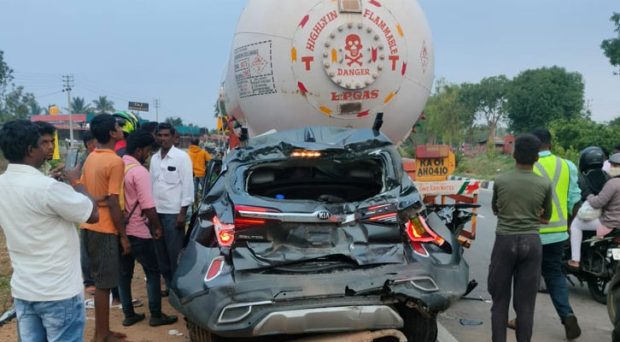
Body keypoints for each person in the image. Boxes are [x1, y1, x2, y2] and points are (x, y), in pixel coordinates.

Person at [0, 120, 99, 341]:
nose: (47, 148)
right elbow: (92, 214)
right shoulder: (48, 188)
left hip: (25, 290)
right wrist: (76, 181)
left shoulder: (4, 184)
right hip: (58, 291)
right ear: (29, 150)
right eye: (42, 144)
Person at [489, 134, 552, 342]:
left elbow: (496, 209)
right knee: (525, 306)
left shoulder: (501, 180)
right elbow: (546, 217)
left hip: (505, 242)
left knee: (500, 301)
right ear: (537, 158)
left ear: (514, 155)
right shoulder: (544, 184)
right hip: (531, 244)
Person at [524, 128, 582, 339]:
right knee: (554, 275)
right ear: (550, 143)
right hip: (558, 233)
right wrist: (569, 227)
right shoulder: (567, 165)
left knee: (526, 278)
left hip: (532, 231)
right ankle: (566, 314)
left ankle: (521, 320)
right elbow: (575, 200)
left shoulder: (527, 166)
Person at [118, 130, 178, 327]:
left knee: (124, 274)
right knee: (152, 271)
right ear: (139, 150)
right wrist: (157, 226)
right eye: (147, 151)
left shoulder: (118, 166)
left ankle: (128, 313)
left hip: (121, 229)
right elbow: (147, 206)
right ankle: (156, 314)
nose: (148, 155)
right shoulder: (139, 172)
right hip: (138, 230)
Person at [80, 113, 130, 342]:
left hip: (88, 225)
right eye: (118, 126)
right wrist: (123, 236)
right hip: (105, 227)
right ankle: (101, 334)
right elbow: (113, 201)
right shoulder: (115, 161)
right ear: (112, 133)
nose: (121, 128)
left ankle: (103, 331)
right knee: (104, 284)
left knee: (101, 281)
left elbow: (85, 190)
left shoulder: (91, 157)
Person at [149, 123, 194, 290]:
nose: (163, 139)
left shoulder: (182, 158)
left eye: (166, 135)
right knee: (161, 255)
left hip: (174, 214)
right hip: (156, 214)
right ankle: (169, 285)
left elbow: (188, 186)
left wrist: (183, 213)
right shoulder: (154, 159)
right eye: (160, 135)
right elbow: (151, 185)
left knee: (174, 254)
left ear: (173, 137)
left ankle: (178, 288)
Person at [569, 153, 620, 267]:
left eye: (614, 166)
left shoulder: (613, 183)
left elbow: (598, 203)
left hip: (610, 223)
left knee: (575, 225)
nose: (611, 168)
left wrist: (589, 196)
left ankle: (575, 260)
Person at [79, 130, 97, 295]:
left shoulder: (93, 157)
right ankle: (89, 281)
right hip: (86, 207)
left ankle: (93, 279)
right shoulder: (84, 160)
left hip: (94, 207)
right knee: (86, 247)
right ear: (89, 144)